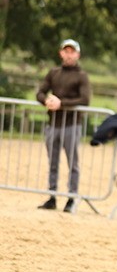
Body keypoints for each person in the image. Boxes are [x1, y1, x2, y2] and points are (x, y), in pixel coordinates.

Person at [35, 39, 92, 213]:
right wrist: (47, 100)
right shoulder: (53, 73)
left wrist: (62, 103)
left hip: (71, 125)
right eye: (66, 51)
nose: (68, 54)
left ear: (77, 54)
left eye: (72, 51)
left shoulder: (81, 76)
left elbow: (85, 99)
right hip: (53, 124)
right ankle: (52, 196)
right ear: (61, 53)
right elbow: (39, 92)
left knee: (72, 163)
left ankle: (71, 197)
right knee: (53, 162)